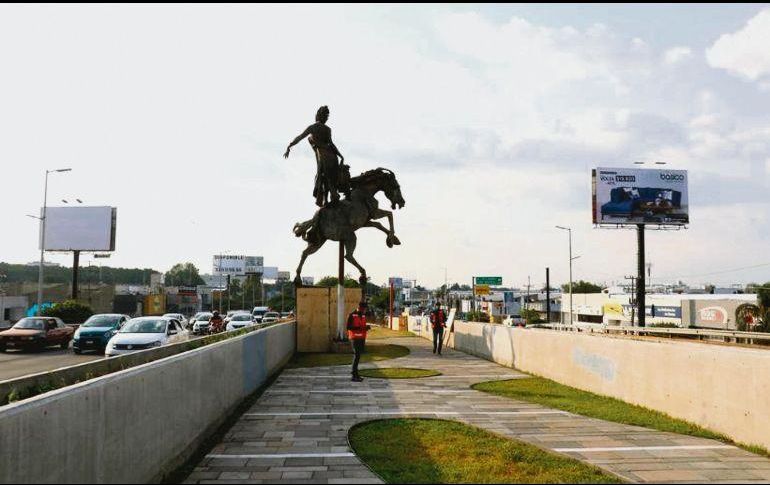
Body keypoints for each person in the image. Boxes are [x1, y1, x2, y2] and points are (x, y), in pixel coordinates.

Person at [284, 105, 346, 207]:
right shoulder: (328, 129)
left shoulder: (312, 127)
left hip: (323, 156)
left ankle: (326, 200)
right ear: (324, 117)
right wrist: (340, 155)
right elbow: (331, 144)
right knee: (331, 178)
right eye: (326, 117)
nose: (326, 119)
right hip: (332, 156)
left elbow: (300, 137)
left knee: (322, 177)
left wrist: (290, 146)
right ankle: (332, 197)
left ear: (317, 115)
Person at [347, 301, 369, 382]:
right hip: (354, 338)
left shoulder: (363, 315)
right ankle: (353, 375)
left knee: (358, 356)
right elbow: (349, 327)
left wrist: (366, 328)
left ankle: (356, 374)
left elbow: (362, 326)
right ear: (360, 308)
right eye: (364, 309)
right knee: (356, 355)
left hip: (361, 338)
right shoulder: (352, 315)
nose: (365, 310)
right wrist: (359, 328)